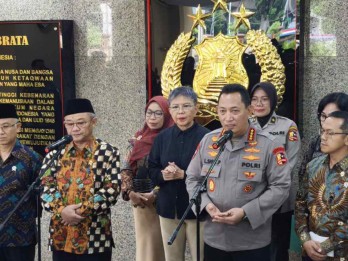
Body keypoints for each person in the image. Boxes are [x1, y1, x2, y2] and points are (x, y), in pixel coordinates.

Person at [186, 84, 291, 261]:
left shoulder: (269, 145)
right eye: (222, 111)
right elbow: (192, 178)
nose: (228, 118)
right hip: (214, 239)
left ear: (249, 111)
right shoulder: (209, 140)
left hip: (252, 242)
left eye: (235, 111)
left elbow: (280, 187)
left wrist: (246, 212)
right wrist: (205, 205)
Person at [40, 98, 120, 261]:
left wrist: (80, 211)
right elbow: (44, 186)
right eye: (70, 124)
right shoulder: (56, 153)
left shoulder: (108, 152)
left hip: (95, 237)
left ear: (94, 122)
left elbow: (111, 190)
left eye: (81, 123)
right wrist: (62, 210)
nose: (75, 128)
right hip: (61, 236)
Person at [148, 87, 209, 261]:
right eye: (175, 107)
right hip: (168, 209)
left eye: (186, 106)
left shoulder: (207, 138)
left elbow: (214, 174)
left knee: (201, 257)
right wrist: (163, 175)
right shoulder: (162, 138)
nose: (180, 111)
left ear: (196, 108)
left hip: (197, 211)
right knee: (172, 258)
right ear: (169, 110)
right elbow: (152, 169)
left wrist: (184, 174)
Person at [249, 82, 301, 261]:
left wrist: (270, 188)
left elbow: (290, 163)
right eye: (255, 100)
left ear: (273, 101)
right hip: (251, 196)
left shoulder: (288, 126)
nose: (259, 104)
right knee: (254, 247)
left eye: (264, 99)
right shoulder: (246, 125)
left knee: (278, 248)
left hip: (279, 198)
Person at [121, 96, 174, 261]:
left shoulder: (171, 139)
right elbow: (126, 166)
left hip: (163, 201)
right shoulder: (137, 138)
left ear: (167, 115)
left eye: (158, 113)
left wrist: (155, 194)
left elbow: (171, 171)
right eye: (149, 113)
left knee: (162, 247)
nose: (152, 117)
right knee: (145, 248)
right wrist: (129, 192)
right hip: (140, 200)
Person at [295, 111, 348, 260]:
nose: (323, 137)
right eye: (322, 131)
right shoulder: (313, 166)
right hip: (309, 251)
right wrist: (305, 240)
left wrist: (324, 247)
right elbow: (300, 205)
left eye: (330, 133)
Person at [0, 103, 42, 261]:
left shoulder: (32, 159)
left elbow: (42, 196)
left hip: (20, 239)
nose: (0, 132)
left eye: (5, 126)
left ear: (18, 127)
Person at [298, 92, 348, 183]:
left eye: (333, 116)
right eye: (323, 116)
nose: (327, 121)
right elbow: (302, 173)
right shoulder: (316, 141)